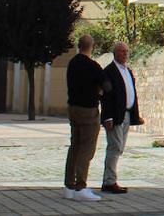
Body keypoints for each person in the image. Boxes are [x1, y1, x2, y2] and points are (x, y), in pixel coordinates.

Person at [63, 34, 105, 202]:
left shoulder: (72, 63)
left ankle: (68, 186)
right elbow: (105, 84)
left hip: (73, 108)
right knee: (86, 149)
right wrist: (100, 91)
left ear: (78, 46)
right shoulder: (93, 66)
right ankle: (81, 186)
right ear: (92, 46)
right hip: (88, 110)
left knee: (74, 146)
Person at [99, 41, 143, 194]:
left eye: (126, 51)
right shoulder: (109, 71)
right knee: (114, 146)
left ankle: (110, 179)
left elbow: (131, 93)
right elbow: (106, 97)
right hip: (115, 115)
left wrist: (136, 115)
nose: (125, 54)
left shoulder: (128, 71)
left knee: (120, 148)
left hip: (127, 113)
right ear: (115, 53)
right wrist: (107, 117)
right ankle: (109, 181)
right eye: (122, 51)